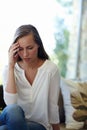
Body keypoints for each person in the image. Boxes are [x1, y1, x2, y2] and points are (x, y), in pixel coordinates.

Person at [1, 24, 60, 130]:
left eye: (29, 48)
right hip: (13, 118)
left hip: (39, 125)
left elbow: (53, 105)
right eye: (20, 49)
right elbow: (11, 103)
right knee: (13, 111)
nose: (25, 54)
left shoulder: (51, 69)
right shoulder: (9, 69)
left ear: (38, 45)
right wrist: (11, 67)